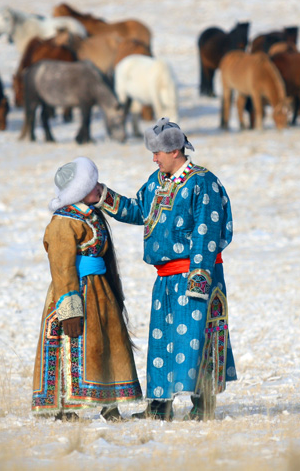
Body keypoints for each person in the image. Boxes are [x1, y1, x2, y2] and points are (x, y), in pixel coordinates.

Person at [95, 117, 237, 421]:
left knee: (197, 340)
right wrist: (103, 196)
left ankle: (203, 407)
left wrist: (199, 278)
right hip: (165, 278)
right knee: (161, 342)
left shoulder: (202, 182)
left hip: (194, 275)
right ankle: (159, 407)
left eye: (158, 152)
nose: (154, 157)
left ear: (175, 151)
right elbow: (137, 210)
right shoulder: (156, 181)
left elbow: (206, 232)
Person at [31, 156, 142, 421]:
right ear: (80, 191)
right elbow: (61, 267)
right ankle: (67, 407)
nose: (99, 188)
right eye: (93, 185)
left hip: (99, 291)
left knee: (108, 343)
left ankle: (110, 403)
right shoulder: (63, 222)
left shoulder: (89, 215)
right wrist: (69, 308)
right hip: (76, 291)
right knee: (75, 344)